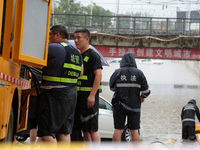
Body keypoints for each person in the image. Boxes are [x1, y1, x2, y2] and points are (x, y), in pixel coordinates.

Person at [37, 25, 83, 144]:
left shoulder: (54, 48)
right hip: (71, 95)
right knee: (65, 131)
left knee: (47, 132)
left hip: (54, 95)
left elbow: (30, 52)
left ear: (57, 34)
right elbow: (81, 73)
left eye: (50, 34)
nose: (49, 38)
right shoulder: (76, 52)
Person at [109, 52, 150, 142]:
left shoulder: (117, 72)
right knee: (134, 131)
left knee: (118, 129)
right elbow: (146, 91)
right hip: (135, 106)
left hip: (119, 105)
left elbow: (111, 87)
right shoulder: (139, 73)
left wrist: (121, 90)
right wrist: (142, 97)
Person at [72, 28, 102, 142]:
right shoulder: (78, 55)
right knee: (85, 129)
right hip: (79, 97)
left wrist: (92, 95)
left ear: (87, 39)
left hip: (89, 98)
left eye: (78, 38)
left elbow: (98, 75)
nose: (76, 40)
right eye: (74, 38)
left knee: (92, 129)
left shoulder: (93, 55)